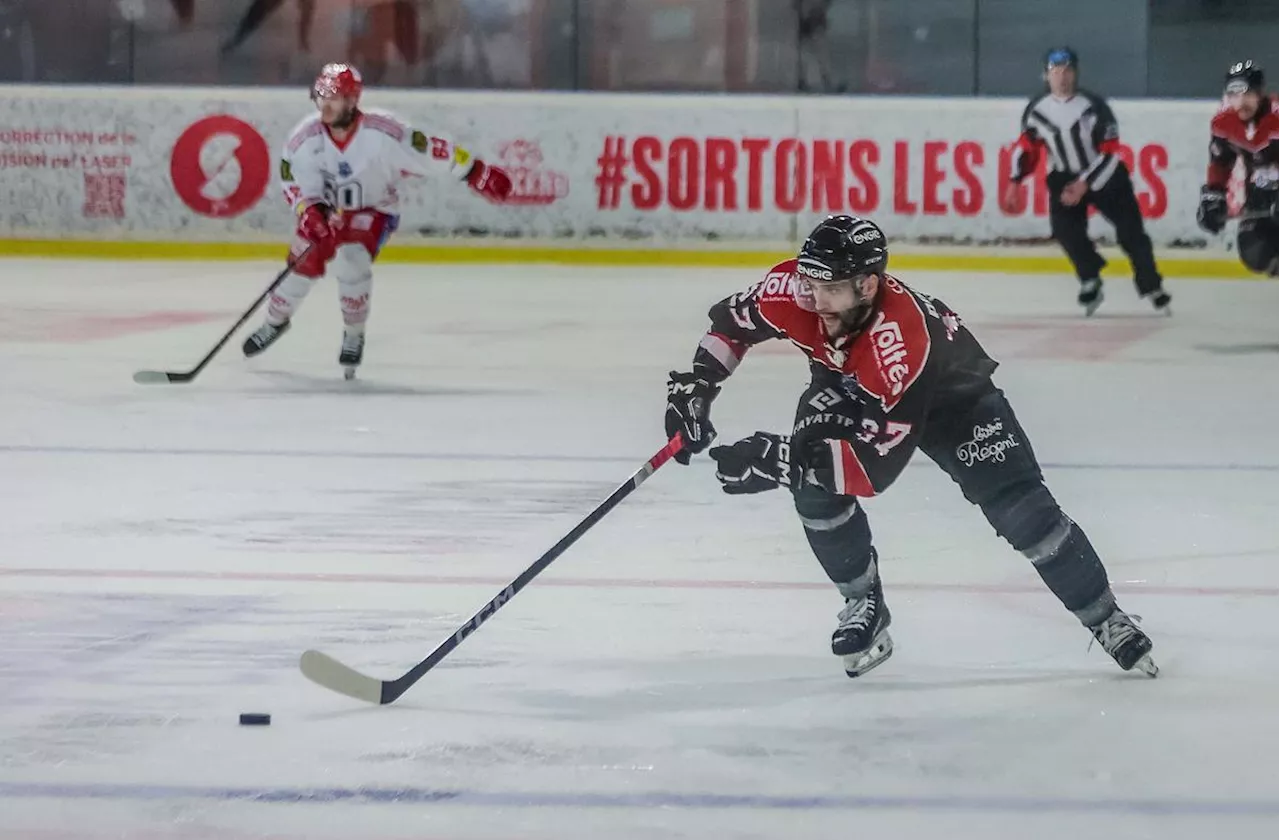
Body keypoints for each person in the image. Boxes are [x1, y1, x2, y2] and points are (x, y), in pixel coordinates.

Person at [664, 214, 1158, 679]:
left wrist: (780, 460)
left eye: (830, 289)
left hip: (954, 402)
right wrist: (697, 387)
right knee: (813, 481)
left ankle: (1104, 616)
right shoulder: (795, 290)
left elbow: (873, 469)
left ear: (868, 285)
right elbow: (731, 324)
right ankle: (864, 604)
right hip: (851, 383)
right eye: (811, 285)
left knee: (1023, 513)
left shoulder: (898, 339)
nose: (814, 302)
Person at [243, 62, 511, 378]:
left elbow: (435, 151)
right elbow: (292, 180)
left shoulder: (385, 133)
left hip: (374, 210)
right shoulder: (305, 138)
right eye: (321, 96)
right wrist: (309, 212)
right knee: (301, 264)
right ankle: (274, 323)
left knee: (353, 259)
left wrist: (476, 172)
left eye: (334, 97)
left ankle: (353, 334)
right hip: (327, 211)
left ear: (353, 100)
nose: (325, 104)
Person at [1001, 47, 1171, 316]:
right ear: (1046, 75)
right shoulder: (1037, 110)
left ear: (1076, 73)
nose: (1062, 77)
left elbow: (1111, 151)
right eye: (1056, 71)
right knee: (1066, 230)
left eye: (1068, 71)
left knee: (1131, 233)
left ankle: (1151, 285)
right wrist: (1014, 182)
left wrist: (1085, 184)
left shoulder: (1094, 107)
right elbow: (1027, 149)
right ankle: (1090, 277)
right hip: (1064, 177)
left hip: (1105, 175)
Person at [1196, 60, 1280, 276]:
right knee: (1255, 253)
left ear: (1260, 93)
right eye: (1233, 94)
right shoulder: (1224, 122)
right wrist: (1214, 195)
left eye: (1247, 94)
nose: (1240, 102)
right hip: (1260, 194)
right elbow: (1220, 162)